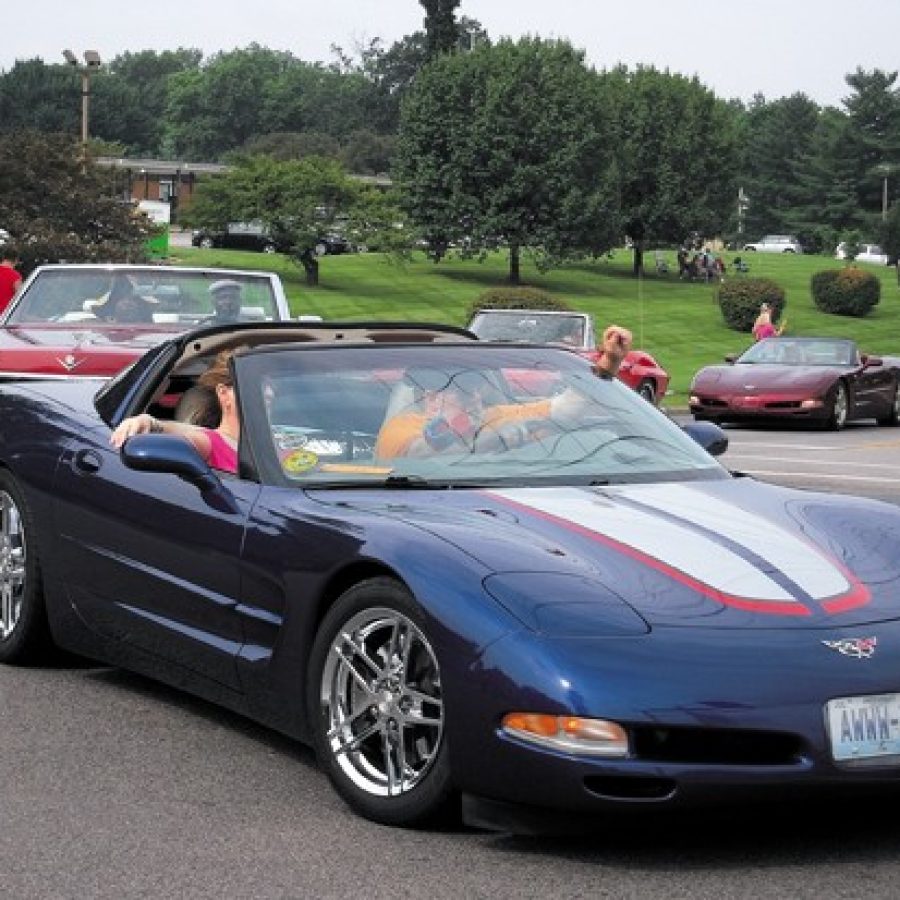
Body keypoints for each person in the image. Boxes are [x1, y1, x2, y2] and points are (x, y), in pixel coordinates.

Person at [375, 325, 633, 459]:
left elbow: (567, 408)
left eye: (477, 389)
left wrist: (610, 361)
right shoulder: (401, 429)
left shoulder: (494, 416)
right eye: (462, 392)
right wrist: (505, 437)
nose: (474, 398)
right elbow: (423, 455)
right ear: (431, 398)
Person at [110, 348, 240, 474]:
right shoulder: (208, 443)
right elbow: (192, 437)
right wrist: (151, 423)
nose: (261, 394)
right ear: (224, 394)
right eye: (254, 386)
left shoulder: (258, 444)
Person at [0, 250, 23, 314]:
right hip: (6, 317)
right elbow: (21, 298)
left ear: (3, 257)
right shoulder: (15, 276)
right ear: (16, 260)